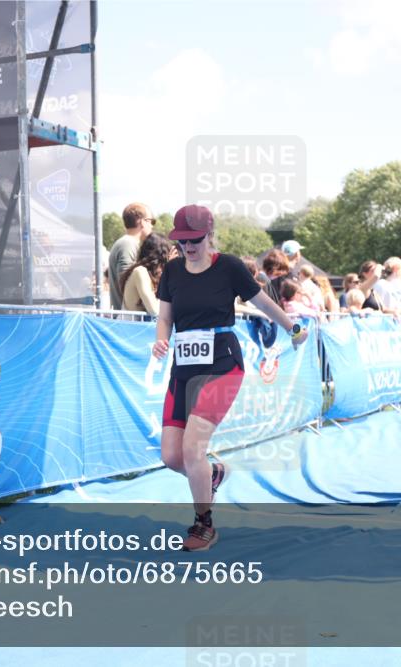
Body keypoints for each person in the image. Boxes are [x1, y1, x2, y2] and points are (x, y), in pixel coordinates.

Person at [153, 205, 308, 551]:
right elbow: (165, 317)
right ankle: (212, 474)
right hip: (183, 369)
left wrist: (293, 328)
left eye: (195, 240)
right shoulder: (173, 271)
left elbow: (264, 305)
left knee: (193, 448)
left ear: (209, 235)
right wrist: (161, 338)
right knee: (171, 457)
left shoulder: (230, 267)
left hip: (222, 365)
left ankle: (203, 525)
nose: (188, 247)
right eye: (182, 241)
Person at [108, 203, 154, 310]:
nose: (152, 226)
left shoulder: (127, 243)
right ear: (142, 221)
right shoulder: (128, 244)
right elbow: (125, 282)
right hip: (128, 321)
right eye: (151, 221)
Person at [120, 233, 175, 316]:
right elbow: (155, 310)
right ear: (161, 257)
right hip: (131, 326)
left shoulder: (150, 275)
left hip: (137, 327)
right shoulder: (140, 272)